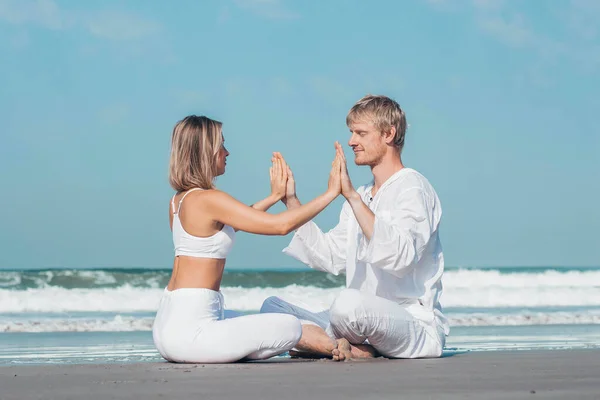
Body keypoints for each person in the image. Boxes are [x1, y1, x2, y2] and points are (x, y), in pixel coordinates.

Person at [260, 94, 450, 361]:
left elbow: (402, 258)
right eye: (351, 133)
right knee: (273, 308)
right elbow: (329, 256)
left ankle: (325, 342)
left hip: (411, 322)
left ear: (388, 134)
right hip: (357, 322)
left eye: (360, 133)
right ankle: (338, 346)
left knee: (347, 304)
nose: (351, 141)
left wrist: (351, 197)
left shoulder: (413, 188)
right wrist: (291, 200)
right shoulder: (362, 195)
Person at [152, 115, 343, 363]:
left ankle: (315, 344)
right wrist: (331, 193)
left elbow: (232, 222)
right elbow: (281, 226)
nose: (227, 152)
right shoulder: (210, 199)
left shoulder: (180, 200)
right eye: (220, 145)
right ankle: (323, 344)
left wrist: (275, 196)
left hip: (168, 326)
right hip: (191, 334)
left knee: (241, 319)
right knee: (290, 327)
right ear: (204, 152)